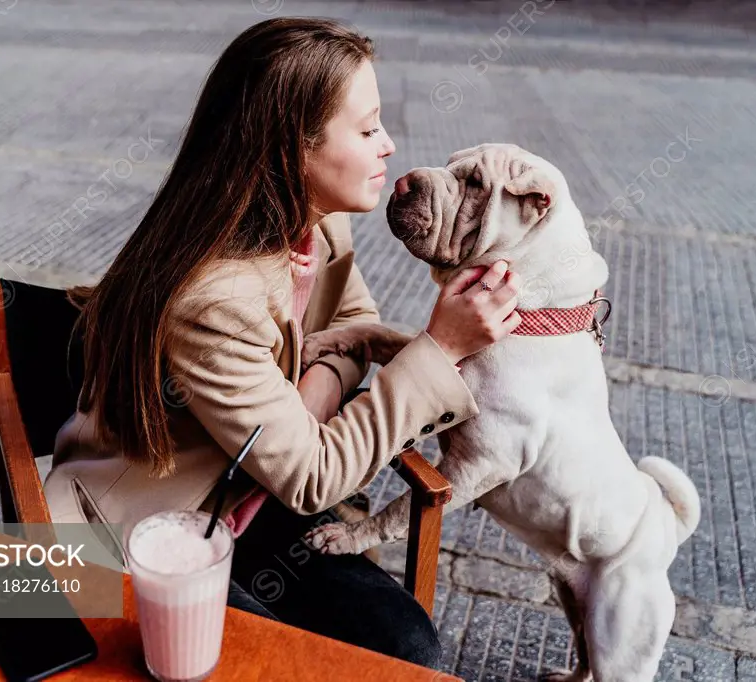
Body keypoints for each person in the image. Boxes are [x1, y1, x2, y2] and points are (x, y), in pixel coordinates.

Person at [43, 17, 521, 670]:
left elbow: (354, 326)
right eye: (367, 128)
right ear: (293, 149)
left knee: (404, 646)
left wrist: (312, 388)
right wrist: (438, 346)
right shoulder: (218, 300)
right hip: (148, 532)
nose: (390, 147)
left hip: (251, 494)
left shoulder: (318, 230)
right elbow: (312, 474)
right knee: (273, 663)